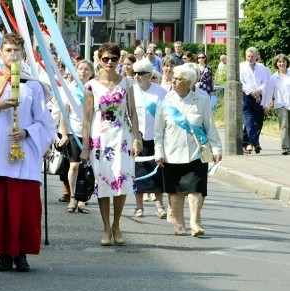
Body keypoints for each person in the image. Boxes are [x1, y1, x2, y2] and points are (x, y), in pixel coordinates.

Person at [0, 34, 55, 272]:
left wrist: (28, 133)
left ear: (23, 54)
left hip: (25, 154)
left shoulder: (33, 86)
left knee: (27, 208)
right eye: (8, 50)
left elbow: (45, 122)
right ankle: (5, 254)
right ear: (0, 52)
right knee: (2, 207)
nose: (12, 54)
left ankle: (22, 252)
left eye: (17, 50)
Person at [80, 43, 140, 247]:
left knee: (122, 182)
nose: (110, 63)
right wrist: (85, 147)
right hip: (100, 139)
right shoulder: (91, 86)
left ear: (119, 60)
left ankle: (117, 224)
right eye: (105, 59)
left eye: (113, 59)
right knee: (104, 182)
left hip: (123, 138)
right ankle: (106, 226)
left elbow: (132, 112)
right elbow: (87, 119)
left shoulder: (127, 83)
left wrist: (137, 138)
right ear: (99, 59)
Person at [154, 65, 222, 236]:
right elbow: (158, 132)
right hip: (172, 153)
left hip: (196, 153)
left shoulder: (202, 101)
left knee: (196, 188)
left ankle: (194, 220)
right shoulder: (165, 102)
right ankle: (179, 221)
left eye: (178, 79)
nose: (173, 81)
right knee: (175, 191)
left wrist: (216, 148)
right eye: (174, 78)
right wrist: (159, 152)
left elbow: (210, 127)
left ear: (189, 83)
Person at [131, 59, 168, 219]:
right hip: (137, 137)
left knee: (158, 171)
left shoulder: (160, 92)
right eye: (135, 73)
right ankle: (139, 206)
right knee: (138, 171)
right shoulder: (130, 91)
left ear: (149, 75)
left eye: (141, 74)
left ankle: (159, 204)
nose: (137, 77)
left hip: (156, 137)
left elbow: (167, 114)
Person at [60, 60, 94, 214]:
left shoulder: (94, 89)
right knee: (74, 166)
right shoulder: (70, 89)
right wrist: (64, 133)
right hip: (75, 132)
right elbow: (64, 112)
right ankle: (73, 196)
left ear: (92, 72)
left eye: (87, 69)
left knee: (86, 167)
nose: (83, 72)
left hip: (92, 133)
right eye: (80, 69)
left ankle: (83, 199)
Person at [240, 47, 271, 154]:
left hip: (258, 96)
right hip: (247, 96)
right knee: (249, 120)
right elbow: (241, 82)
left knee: (254, 121)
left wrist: (258, 91)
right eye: (248, 56)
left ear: (256, 56)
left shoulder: (261, 67)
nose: (250, 58)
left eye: (252, 56)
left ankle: (247, 143)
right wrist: (252, 92)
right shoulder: (241, 66)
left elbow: (265, 81)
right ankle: (255, 143)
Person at [264, 54, 290, 155]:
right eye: (279, 62)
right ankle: (285, 147)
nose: (281, 63)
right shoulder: (273, 78)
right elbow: (269, 92)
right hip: (280, 103)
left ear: (287, 62)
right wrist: (266, 105)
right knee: (284, 124)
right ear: (276, 64)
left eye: (283, 61)